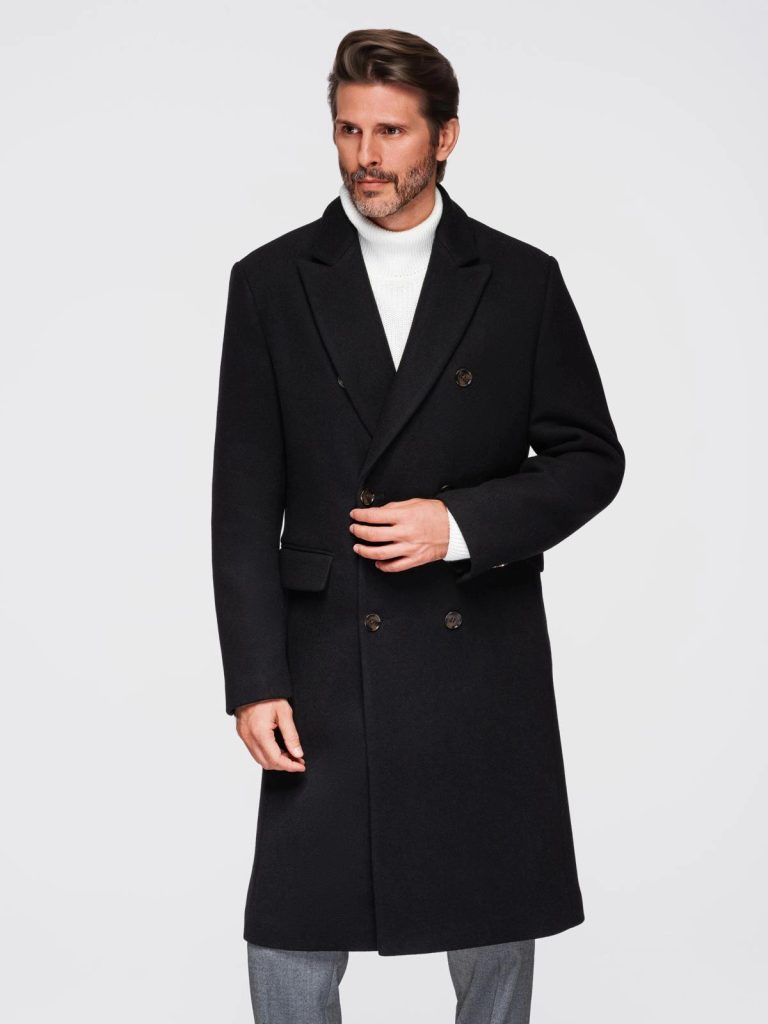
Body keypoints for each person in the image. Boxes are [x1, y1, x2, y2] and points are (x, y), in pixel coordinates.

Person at [211, 27, 625, 1024]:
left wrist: (460, 522)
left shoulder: (519, 280)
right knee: (292, 935)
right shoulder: (271, 282)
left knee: (492, 927)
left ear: (445, 137)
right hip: (326, 657)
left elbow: (591, 457)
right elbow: (241, 502)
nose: (366, 156)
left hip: (474, 650)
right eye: (349, 129)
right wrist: (255, 678)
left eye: (391, 132)